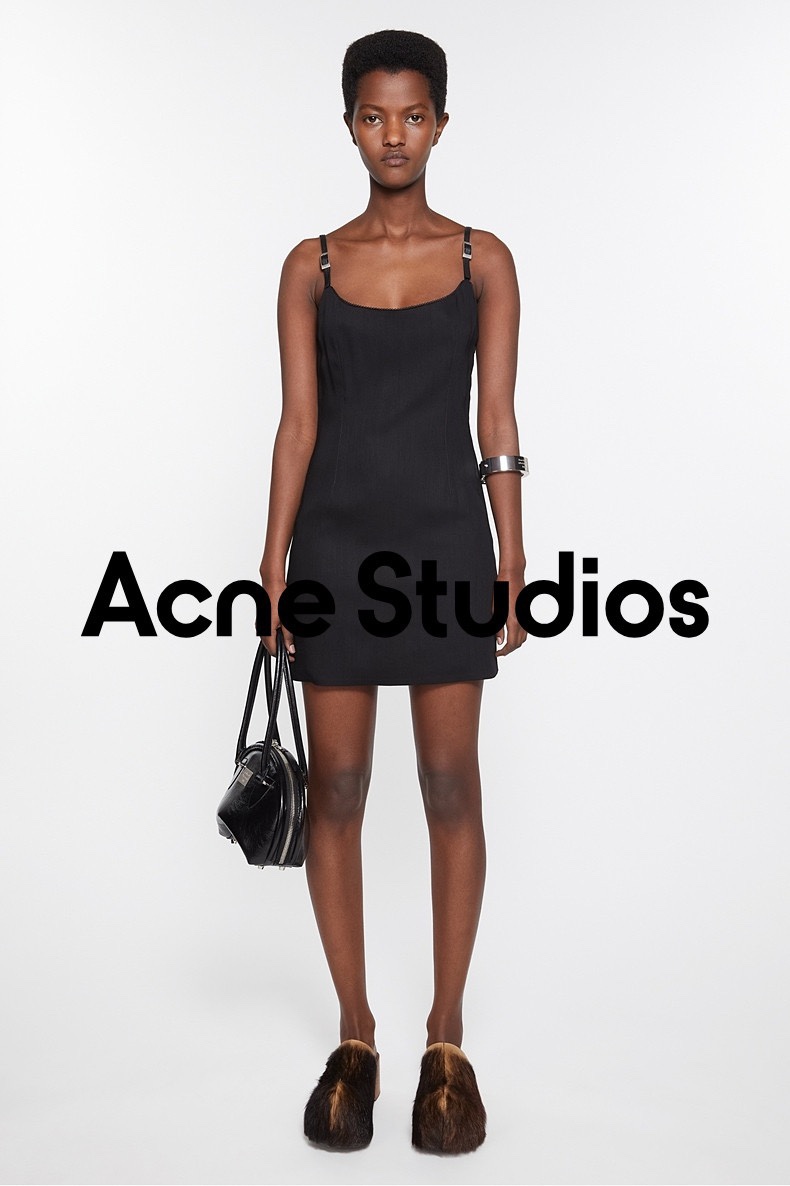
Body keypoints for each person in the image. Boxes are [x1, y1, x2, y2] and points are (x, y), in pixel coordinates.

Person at [258, 28, 527, 1154]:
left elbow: (495, 421)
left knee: (451, 784)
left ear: (442, 123)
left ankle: (445, 1043)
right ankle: (355, 1038)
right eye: (374, 116)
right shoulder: (310, 266)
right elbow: (298, 425)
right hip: (333, 553)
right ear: (350, 126)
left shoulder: (482, 260)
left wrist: (511, 557)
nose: (394, 135)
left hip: (448, 549)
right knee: (337, 789)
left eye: (414, 115)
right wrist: (273, 565)